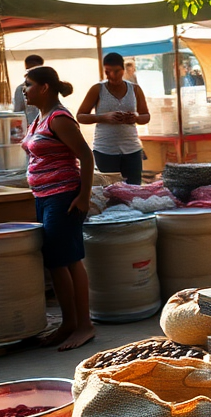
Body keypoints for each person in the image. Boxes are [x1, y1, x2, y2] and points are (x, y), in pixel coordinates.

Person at [20, 66, 95, 351]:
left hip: (64, 197)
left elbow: (86, 157)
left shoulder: (60, 118)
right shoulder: (39, 117)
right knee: (60, 260)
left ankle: (83, 325)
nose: (24, 89)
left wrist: (84, 197)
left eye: (28, 84)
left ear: (44, 88)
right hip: (45, 197)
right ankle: (69, 323)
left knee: (66, 260)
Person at [79, 52, 149, 186]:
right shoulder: (97, 89)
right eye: (108, 72)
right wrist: (103, 117)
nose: (112, 75)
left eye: (116, 71)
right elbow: (81, 116)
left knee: (133, 188)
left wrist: (135, 118)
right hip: (105, 149)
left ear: (123, 70)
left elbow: (145, 116)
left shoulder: (134, 89)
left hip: (131, 148)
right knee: (109, 189)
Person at [13, 54, 45, 128]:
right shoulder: (20, 89)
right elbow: (18, 113)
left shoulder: (46, 87)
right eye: (30, 70)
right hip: (29, 129)